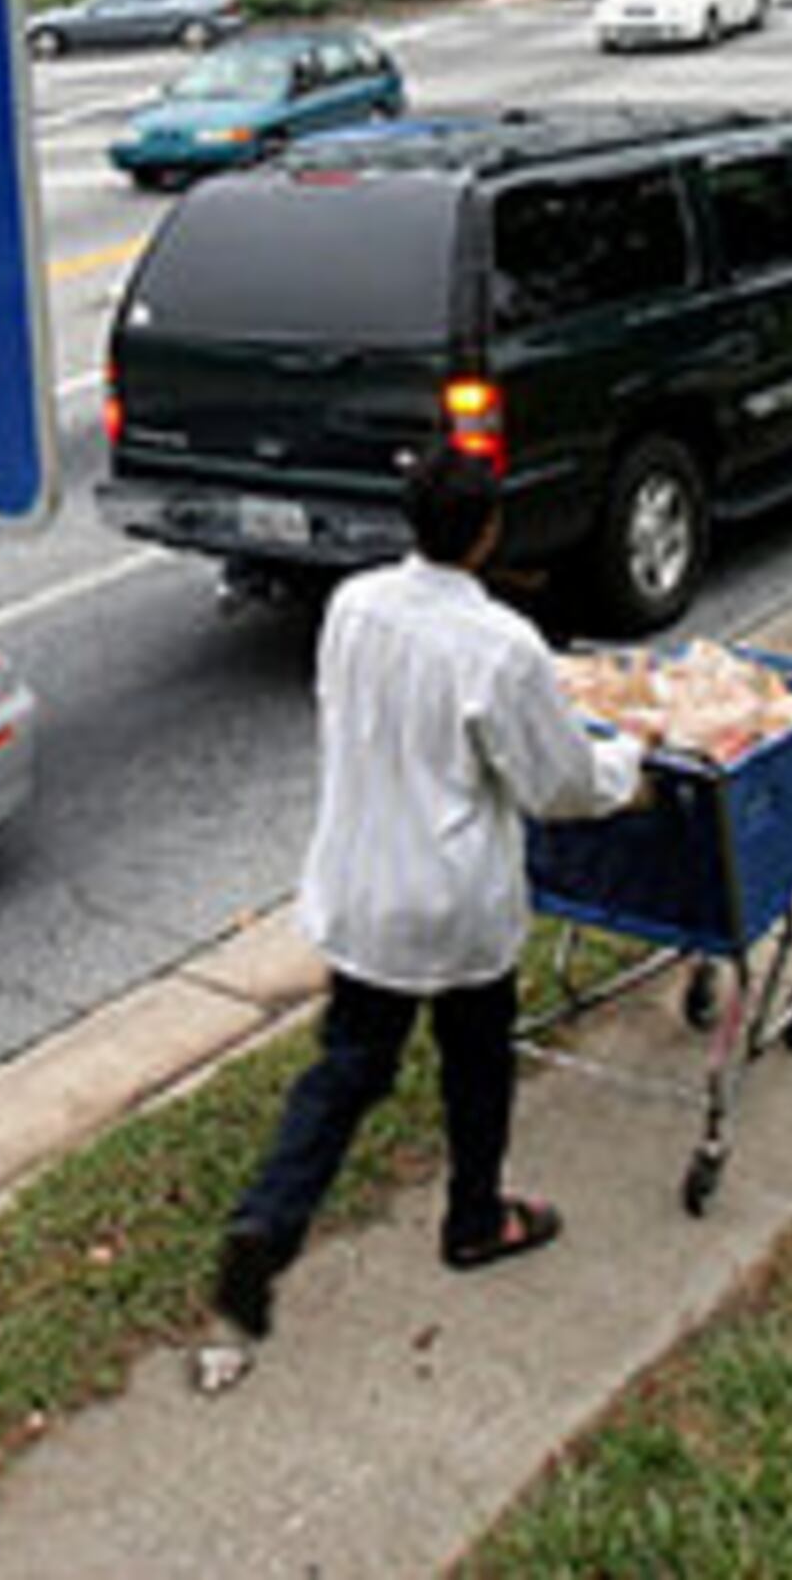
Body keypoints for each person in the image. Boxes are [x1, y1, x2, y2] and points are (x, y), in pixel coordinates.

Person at [211, 445, 647, 1343]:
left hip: (361, 882)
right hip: (451, 901)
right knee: (476, 1061)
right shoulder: (501, 645)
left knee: (349, 1067)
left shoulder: (352, 605)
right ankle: (475, 1219)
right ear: (488, 530)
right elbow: (555, 783)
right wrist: (627, 762)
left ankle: (268, 1218)